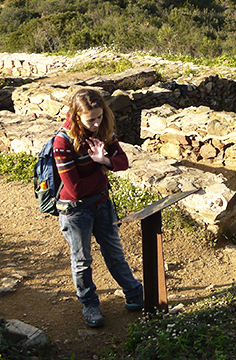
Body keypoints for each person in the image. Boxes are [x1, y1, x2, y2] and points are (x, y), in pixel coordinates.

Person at [54, 88, 144, 328]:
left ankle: (134, 294)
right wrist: (103, 170)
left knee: (115, 253)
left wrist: (103, 160)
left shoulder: (104, 132)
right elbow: (74, 189)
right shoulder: (63, 142)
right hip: (75, 211)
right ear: (76, 116)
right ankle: (89, 303)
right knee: (82, 260)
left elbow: (122, 162)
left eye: (100, 116)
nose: (96, 123)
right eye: (90, 119)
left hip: (102, 203)